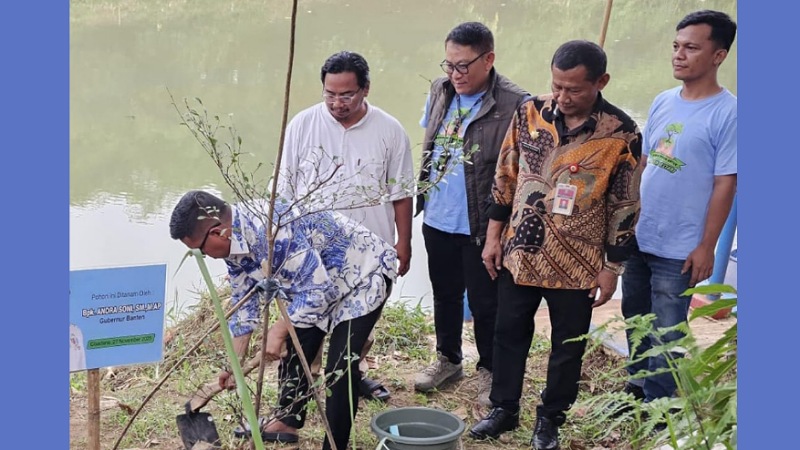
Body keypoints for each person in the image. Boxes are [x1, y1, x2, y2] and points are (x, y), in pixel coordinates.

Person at [469, 40, 643, 450]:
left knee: (567, 347)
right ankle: (504, 408)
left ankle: (550, 419)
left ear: (601, 82)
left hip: (578, 261)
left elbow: (625, 204)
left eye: (574, 90)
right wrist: (493, 238)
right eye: (557, 87)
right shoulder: (529, 112)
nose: (562, 98)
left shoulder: (622, 133)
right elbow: (506, 175)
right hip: (521, 252)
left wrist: (611, 267)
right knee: (508, 331)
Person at [169, 190, 397, 450]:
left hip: (362, 275)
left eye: (201, 249)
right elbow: (245, 302)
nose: (205, 256)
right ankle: (286, 423)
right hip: (321, 281)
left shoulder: (272, 229)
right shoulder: (233, 245)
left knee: (339, 368)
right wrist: (234, 362)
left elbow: (317, 290)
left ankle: (335, 446)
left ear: (218, 232)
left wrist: (277, 332)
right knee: (297, 344)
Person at [278, 50, 414, 402]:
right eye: (330, 94)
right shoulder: (302, 125)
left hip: (368, 257)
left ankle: (350, 377)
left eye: (347, 95)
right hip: (311, 255)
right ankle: (290, 406)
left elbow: (401, 193)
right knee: (303, 331)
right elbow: (283, 192)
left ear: (366, 89)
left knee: (354, 330)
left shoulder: (390, 130)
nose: (337, 103)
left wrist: (404, 244)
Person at [620, 10, 737, 405]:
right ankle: (635, 389)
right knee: (635, 319)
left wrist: (707, 245)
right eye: (676, 46)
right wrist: (627, 220)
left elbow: (726, 183)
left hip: (681, 248)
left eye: (691, 47)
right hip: (642, 233)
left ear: (718, 55)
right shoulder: (663, 101)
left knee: (667, 329)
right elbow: (648, 162)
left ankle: (660, 405)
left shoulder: (729, 113)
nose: (678, 55)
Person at [413, 21, 528, 408]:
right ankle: (448, 359)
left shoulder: (515, 104)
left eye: (463, 66)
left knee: (485, 302)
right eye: (448, 65)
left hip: (481, 224)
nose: (455, 74)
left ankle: (489, 369)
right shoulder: (440, 89)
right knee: (445, 293)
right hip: (437, 218)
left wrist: (500, 231)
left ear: (489, 59)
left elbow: (519, 174)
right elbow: (430, 145)